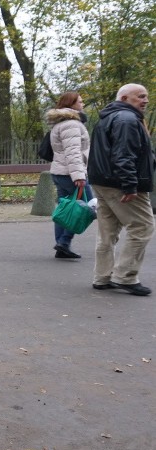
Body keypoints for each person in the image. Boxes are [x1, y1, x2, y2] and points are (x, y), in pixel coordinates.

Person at [87, 83, 153, 296]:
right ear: (124, 98)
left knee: (107, 230)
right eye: (140, 96)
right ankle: (125, 276)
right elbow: (123, 154)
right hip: (119, 183)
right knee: (142, 226)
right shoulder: (127, 119)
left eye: (147, 97)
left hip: (102, 180)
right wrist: (130, 185)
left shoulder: (108, 117)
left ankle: (102, 276)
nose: (145, 100)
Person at [47, 91, 93, 259]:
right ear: (71, 104)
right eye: (80, 102)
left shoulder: (60, 123)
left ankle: (61, 245)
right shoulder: (72, 124)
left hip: (61, 172)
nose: (83, 105)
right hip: (70, 174)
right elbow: (73, 153)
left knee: (64, 208)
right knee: (89, 206)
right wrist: (79, 176)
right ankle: (64, 242)